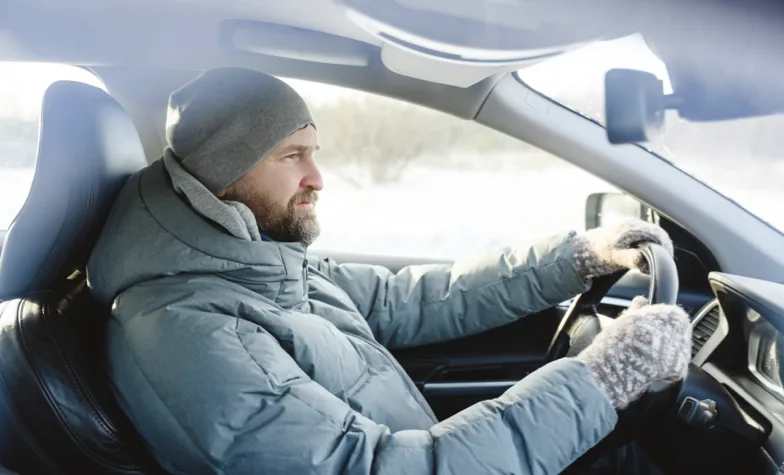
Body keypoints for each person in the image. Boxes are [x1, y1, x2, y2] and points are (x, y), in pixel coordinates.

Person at [86, 67, 692, 475]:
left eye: (314, 154)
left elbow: (418, 299)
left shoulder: (258, 264)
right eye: (291, 156)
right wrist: (597, 383)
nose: (317, 179)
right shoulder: (186, 331)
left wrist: (575, 258)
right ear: (224, 175)